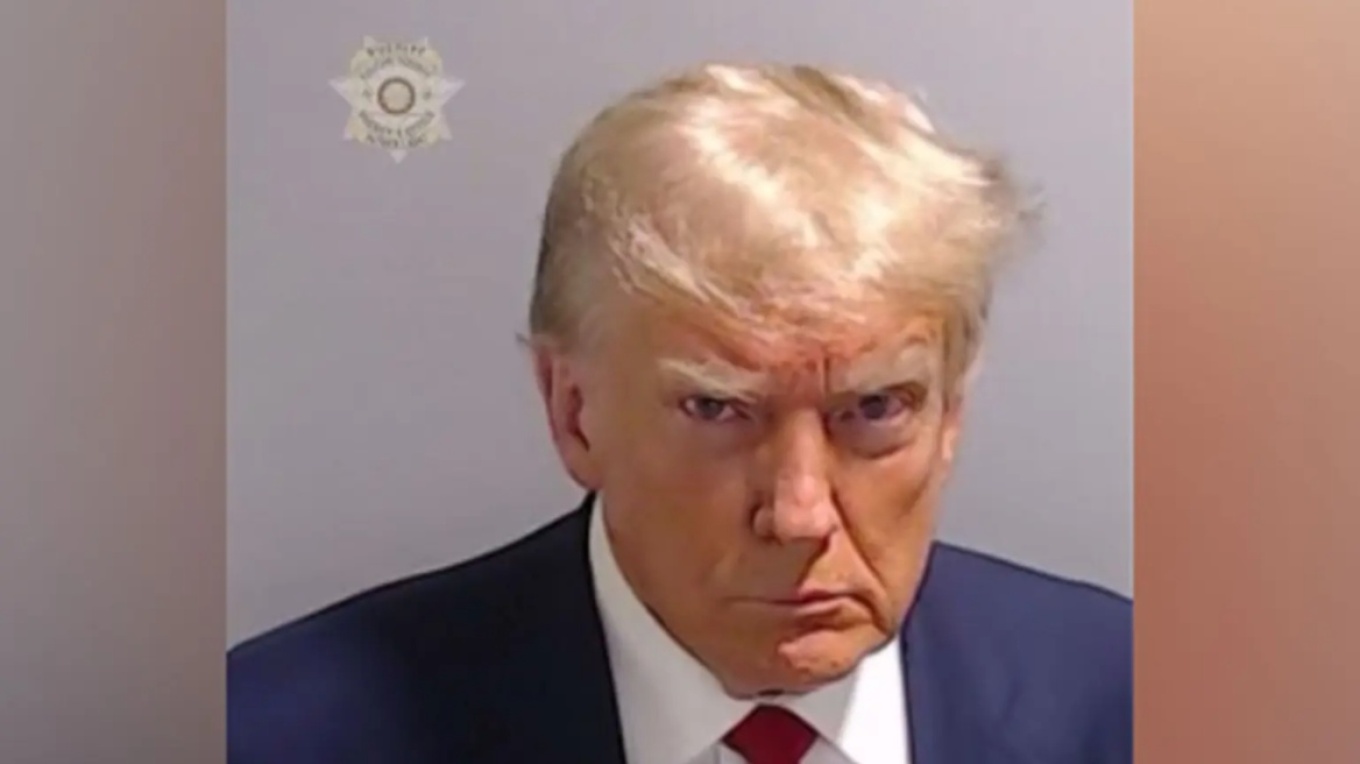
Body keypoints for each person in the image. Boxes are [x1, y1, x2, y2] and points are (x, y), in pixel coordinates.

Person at [227, 62, 1131, 764]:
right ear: (574, 413)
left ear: (951, 414)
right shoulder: (273, 736)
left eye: (873, 409)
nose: (799, 514)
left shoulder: (1134, 701)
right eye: (719, 409)